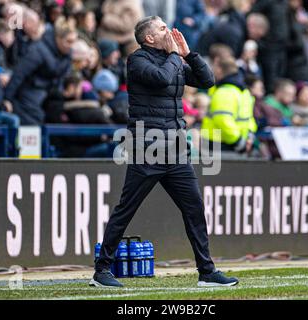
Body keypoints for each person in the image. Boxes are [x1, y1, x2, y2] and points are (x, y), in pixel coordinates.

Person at [90, 16, 238, 288]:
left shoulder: (174, 60)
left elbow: (207, 80)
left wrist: (189, 54)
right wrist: (174, 56)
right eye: (161, 28)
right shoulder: (137, 60)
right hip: (147, 148)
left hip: (176, 149)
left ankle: (206, 272)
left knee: (194, 208)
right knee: (127, 208)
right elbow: (160, 79)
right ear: (148, 38)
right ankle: (101, 271)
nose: (168, 31)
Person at [4, 18, 76, 125]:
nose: (71, 45)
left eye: (74, 41)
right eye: (68, 41)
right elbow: (19, 73)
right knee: (35, 119)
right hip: (30, 91)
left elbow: (62, 77)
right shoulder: (38, 50)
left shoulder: (67, 55)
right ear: (58, 38)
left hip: (49, 93)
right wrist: (7, 98)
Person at [201, 56, 257, 154]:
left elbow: (223, 120)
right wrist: (249, 137)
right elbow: (249, 119)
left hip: (220, 146)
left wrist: (238, 142)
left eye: (213, 67)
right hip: (238, 146)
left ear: (219, 69)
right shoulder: (244, 91)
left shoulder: (224, 92)